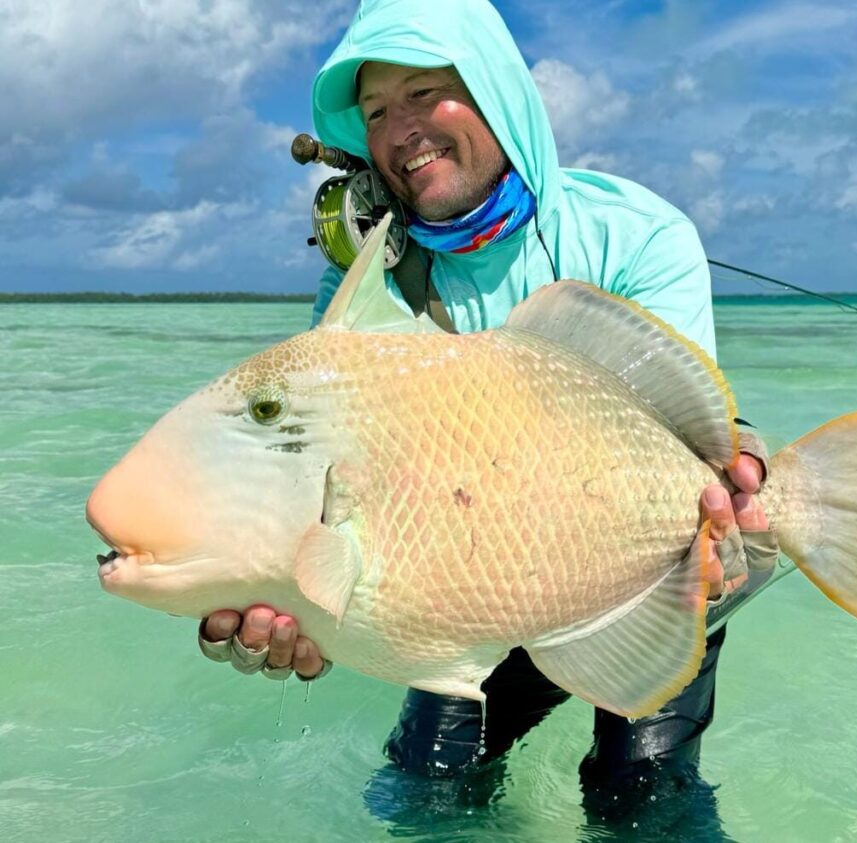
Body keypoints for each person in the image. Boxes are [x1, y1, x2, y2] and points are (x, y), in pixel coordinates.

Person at [198, 0, 781, 825]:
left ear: (500, 93)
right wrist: (292, 594)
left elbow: (685, 435)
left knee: (643, 802)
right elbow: (325, 480)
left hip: (638, 562)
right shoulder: (366, 279)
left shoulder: (639, 235)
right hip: (476, 582)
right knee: (422, 794)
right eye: (375, 112)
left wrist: (731, 491)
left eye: (425, 92)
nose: (401, 129)